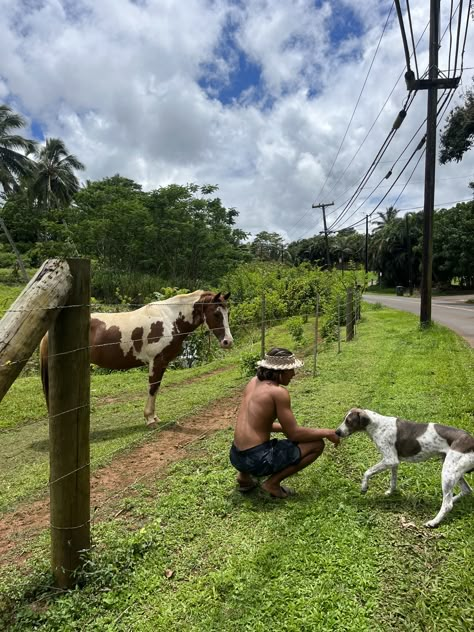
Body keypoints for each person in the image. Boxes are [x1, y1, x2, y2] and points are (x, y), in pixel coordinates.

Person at [229, 347, 340, 498]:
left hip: (236, 456)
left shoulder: (253, 382)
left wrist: (282, 429)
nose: (293, 374)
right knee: (317, 444)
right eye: (291, 370)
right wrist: (328, 432)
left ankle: (244, 478)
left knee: (255, 442)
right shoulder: (278, 393)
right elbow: (294, 434)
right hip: (256, 459)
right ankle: (272, 484)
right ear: (280, 372)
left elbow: (258, 424)